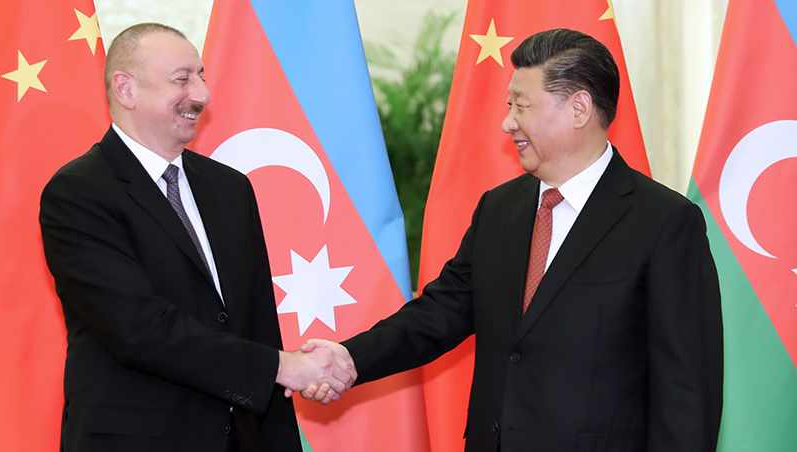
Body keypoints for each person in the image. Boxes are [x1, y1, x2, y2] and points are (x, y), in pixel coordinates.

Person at [301, 28, 724, 451]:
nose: (508, 123)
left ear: (579, 109)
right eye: (509, 106)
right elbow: (440, 313)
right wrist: (349, 358)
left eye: (521, 106)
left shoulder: (664, 223)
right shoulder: (499, 209)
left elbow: (687, 394)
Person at [39, 23, 354, 452]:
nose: (202, 95)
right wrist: (282, 368)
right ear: (126, 89)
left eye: (201, 76)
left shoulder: (230, 187)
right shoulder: (79, 192)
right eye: (182, 79)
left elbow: (258, 326)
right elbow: (139, 329)